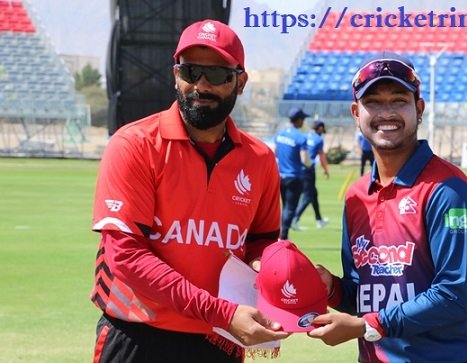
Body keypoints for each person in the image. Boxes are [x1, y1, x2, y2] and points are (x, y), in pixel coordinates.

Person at [89, 19, 289, 363]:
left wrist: (272, 270)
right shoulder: (134, 144)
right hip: (139, 337)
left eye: (217, 75)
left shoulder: (259, 159)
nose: (201, 85)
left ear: (240, 82)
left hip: (219, 341)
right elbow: (126, 257)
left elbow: (262, 240)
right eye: (191, 71)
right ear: (175, 75)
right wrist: (222, 313)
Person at [307, 52, 467, 362]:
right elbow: (365, 295)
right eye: (374, 102)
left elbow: (454, 295)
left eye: (398, 100)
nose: (386, 112)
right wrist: (332, 290)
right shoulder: (356, 198)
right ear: (356, 112)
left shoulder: (448, 190)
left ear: (418, 108)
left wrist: (367, 325)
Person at [274, 106, 310, 239]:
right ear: (299, 120)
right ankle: (283, 237)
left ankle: (280, 235)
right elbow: (304, 159)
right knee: (289, 208)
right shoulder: (300, 137)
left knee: (283, 207)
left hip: (280, 175)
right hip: (294, 176)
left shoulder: (280, 134)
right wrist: (310, 165)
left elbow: (275, 153)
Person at [292, 120, 330, 231]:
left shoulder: (304, 136)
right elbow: (322, 157)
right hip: (309, 170)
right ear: (319, 128)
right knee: (308, 197)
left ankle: (319, 220)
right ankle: (294, 219)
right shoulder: (318, 139)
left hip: (300, 169)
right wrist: (326, 169)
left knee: (313, 194)